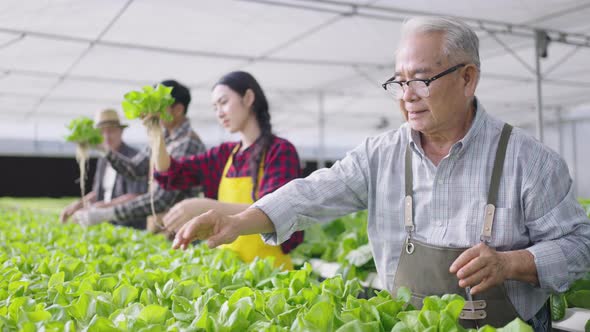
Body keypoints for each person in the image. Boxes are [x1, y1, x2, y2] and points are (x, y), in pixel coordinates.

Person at [171, 17, 590, 330]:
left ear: (467, 78)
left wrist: (512, 263)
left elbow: (578, 246)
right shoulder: (381, 154)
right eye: (399, 81)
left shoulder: (528, 160)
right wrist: (237, 221)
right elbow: (311, 193)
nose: (406, 96)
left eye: (421, 80)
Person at [153, 71, 304, 270]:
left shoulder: (280, 151)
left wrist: (204, 206)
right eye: (215, 107)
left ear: (248, 98)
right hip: (227, 274)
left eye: (223, 102)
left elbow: (276, 211)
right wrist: (154, 130)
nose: (219, 113)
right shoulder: (224, 154)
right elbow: (172, 172)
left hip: (271, 275)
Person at [72, 80, 206, 232]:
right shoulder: (162, 138)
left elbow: (162, 199)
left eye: (159, 106)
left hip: (181, 230)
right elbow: (135, 169)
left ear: (178, 109)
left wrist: (109, 213)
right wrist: (104, 150)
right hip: (161, 227)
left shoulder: (188, 144)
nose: (152, 113)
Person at [61, 109, 148, 229]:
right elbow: (98, 192)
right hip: (108, 224)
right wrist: (79, 204)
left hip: (129, 225)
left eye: (111, 131)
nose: (106, 136)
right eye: (102, 132)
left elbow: (137, 195)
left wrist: (103, 206)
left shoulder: (134, 159)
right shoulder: (103, 159)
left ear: (121, 131)